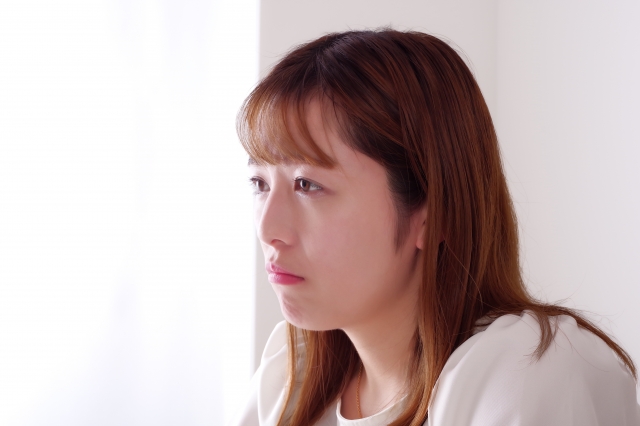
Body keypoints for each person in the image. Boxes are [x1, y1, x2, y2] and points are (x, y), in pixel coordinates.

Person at [229, 29, 640, 426]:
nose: (268, 229)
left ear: (433, 214)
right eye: (259, 184)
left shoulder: (528, 372)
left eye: (308, 185)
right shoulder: (290, 376)